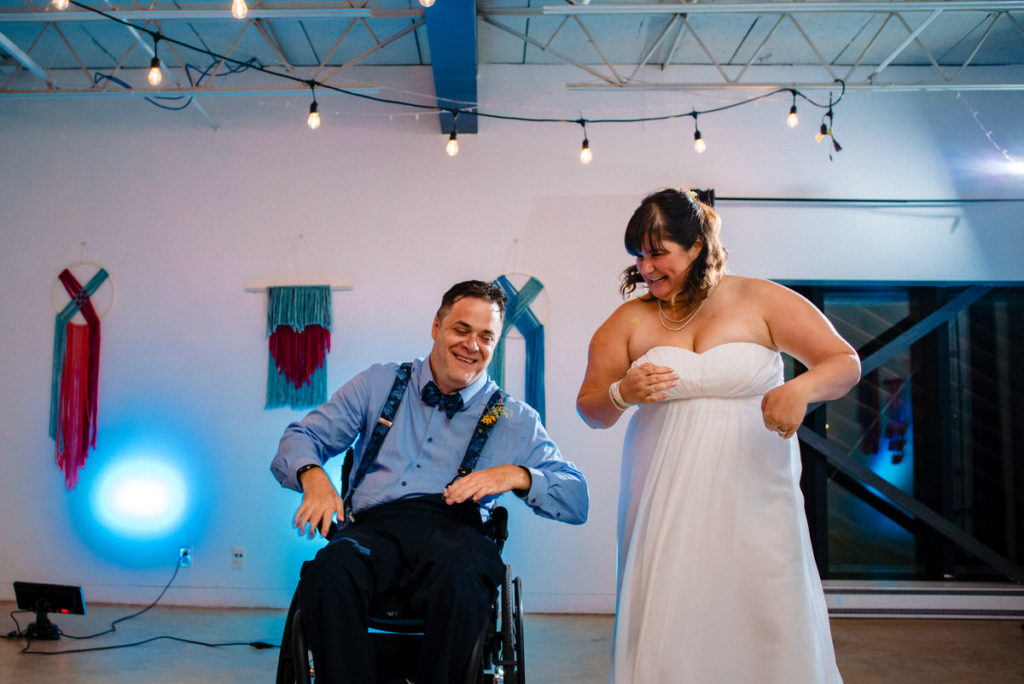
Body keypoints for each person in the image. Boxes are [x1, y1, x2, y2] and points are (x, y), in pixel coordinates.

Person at [577, 189, 860, 682]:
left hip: (756, 491)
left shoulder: (760, 299)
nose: (645, 267)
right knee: (675, 608)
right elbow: (592, 411)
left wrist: (801, 390)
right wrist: (623, 392)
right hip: (665, 497)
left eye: (657, 253)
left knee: (765, 603)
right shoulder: (629, 321)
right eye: (638, 256)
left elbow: (843, 362)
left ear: (697, 248)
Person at [272, 279, 589, 684]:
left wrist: (518, 475)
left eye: (485, 336)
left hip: (456, 535)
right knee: (328, 573)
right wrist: (313, 477)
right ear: (437, 326)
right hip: (373, 531)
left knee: (462, 578)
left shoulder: (512, 417)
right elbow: (299, 437)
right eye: (461, 329)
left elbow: (576, 498)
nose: (472, 345)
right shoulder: (378, 384)